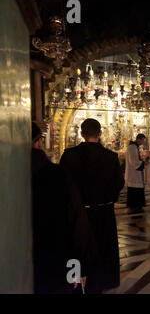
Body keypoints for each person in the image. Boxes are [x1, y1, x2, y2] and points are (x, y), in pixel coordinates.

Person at [60, 118, 124, 293]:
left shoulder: (69, 155)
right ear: (100, 134)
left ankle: (76, 283)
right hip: (104, 212)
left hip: (78, 213)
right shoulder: (111, 157)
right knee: (104, 250)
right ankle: (103, 282)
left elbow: (62, 184)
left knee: (79, 249)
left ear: (81, 134)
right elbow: (119, 182)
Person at [31, 122, 95, 294]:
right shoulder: (56, 175)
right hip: (57, 259)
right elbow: (77, 224)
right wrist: (80, 267)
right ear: (38, 143)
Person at [125, 134, 147, 212]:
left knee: (135, 189)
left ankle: (136, 205)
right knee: (135, 190)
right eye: (143, 140)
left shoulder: (134, 147)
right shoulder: (132, 147)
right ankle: (135, 205)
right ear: (139, 139)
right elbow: (134, 161)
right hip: (133, 174)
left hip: (134, 174)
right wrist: (143, 162)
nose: (143, 142)